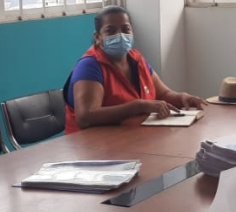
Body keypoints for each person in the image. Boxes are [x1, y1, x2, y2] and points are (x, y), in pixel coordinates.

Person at [65, 8, 205, 132]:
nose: (120, 35)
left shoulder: (136, 59)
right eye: (111, 31)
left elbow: (163, 94)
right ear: (97, 37)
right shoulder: (89, 66)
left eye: (125, 29)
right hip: (92, 144)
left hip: (133, 136)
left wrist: (183, 98)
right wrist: (138, 106)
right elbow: (85, 117)